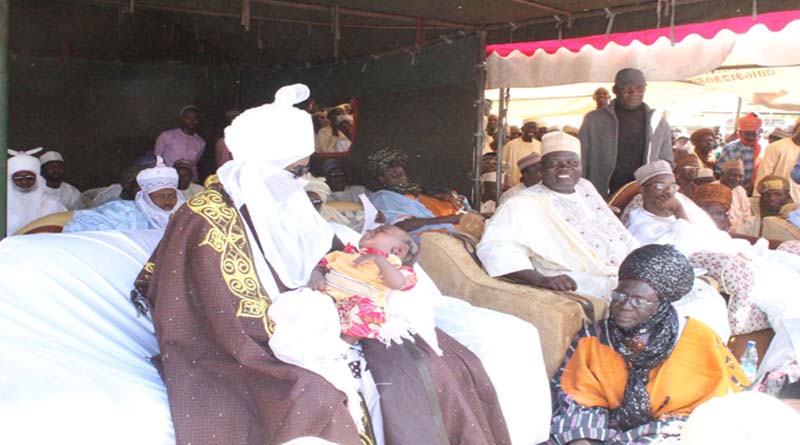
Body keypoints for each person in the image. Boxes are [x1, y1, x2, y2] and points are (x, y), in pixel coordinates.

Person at [131, 84, 510, 445]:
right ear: (262, 164)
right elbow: (224, 308)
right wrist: (319, 318)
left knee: (439, 362)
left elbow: (330, 257)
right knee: (312, 396)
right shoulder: (205, 216)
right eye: (296, 171)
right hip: (257, 339)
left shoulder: (288, 198)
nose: (303, 181)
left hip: (328, 314)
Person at [545, 244, 748, 445]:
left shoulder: (699, 340)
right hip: (603, 432)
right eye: (620, 295)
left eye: (639, 301)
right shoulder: (595, 336)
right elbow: (576, 398)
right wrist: (581, 440)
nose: (624, 306)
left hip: (672, 434)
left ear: (662, 303)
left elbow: (709, 415)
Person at [479, 131, 639, 298]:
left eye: (573, 163)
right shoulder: (523, 202)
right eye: (554, 163)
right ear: (541, 168)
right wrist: (541, 280)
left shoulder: (585, 187)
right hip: (577, 279)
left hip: (625, 270)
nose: (565, 168)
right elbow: (496, 248)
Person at [579, 68, 673, 198]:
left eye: (639, 88)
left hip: (643, 194)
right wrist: (584, 193)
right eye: (625, 88)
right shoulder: (594, 120)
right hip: (600, 193)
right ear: (615, 90)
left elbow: (666, 162)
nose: (633, 92)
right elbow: (581, 159)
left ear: (645, 89)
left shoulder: (657, 122)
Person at [367, 147, 467, 238]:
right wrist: (450, 219)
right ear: (381, 179)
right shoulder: (383, 197)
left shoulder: (424, 192)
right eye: (387, 170)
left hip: (460, 232)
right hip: (430, 240)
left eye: (396, 166)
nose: (395, 171)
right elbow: (400, 226)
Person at [64, 159, 185, 233]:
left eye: (171, 196)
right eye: (160, 196)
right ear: (146, 197)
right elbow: (82, 228)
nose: (167, 201)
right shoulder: (122, 211)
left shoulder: (186, 216)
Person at [6, 148, 67, 234]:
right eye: (18, 178)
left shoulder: (50, 203)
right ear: (10, 179)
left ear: (37, 178)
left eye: (30, 177)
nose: (24, 181)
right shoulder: (3, 203)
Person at [154, 105, 206, 181]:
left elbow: (194, 165)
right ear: (182, 119)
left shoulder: (200, 142)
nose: (192, 121)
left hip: (188, 181)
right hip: (167, 178)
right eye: (188, 117)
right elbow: (158, 157)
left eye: (195, 118)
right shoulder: (166, 136)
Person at [715, 112, 764, 192]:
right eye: (747, 134)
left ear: (759, 132)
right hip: (734, 190)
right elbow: (720, 173)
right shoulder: (731, 148)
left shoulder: (763, 148)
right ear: (740, 133)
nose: (751, 138)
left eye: (754, 134)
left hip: (757, 191)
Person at [755, 119, 800, 203]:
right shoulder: (777, 146)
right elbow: (764, 173)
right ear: (796, 128)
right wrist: (758, 198)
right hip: (775, 201)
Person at [717, 159, 757, 236]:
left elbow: (747, 214)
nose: (737, 179)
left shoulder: (740, 190)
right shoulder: (713, 189)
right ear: (722, 174)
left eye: (740, 176)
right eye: (733, 175)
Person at [500, 119, 542, 187]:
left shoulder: (540, 145)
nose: (531, 130)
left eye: (534, 128)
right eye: (528, 127)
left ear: (537, 130)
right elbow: (502, 164)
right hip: (513, 184)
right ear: (522, 129)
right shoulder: (510, 145)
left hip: (534, 185)